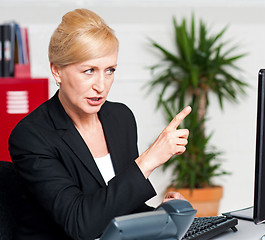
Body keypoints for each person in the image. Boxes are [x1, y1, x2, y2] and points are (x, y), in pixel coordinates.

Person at [8, 8, 191, 240]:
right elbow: (80, 224)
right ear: (57, 71)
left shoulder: (120, 117)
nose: (101, 86)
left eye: (109, 71)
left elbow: (120, 213)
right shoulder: (31, 136)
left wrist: (166, 213)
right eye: (89, 71)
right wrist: (149, 160)